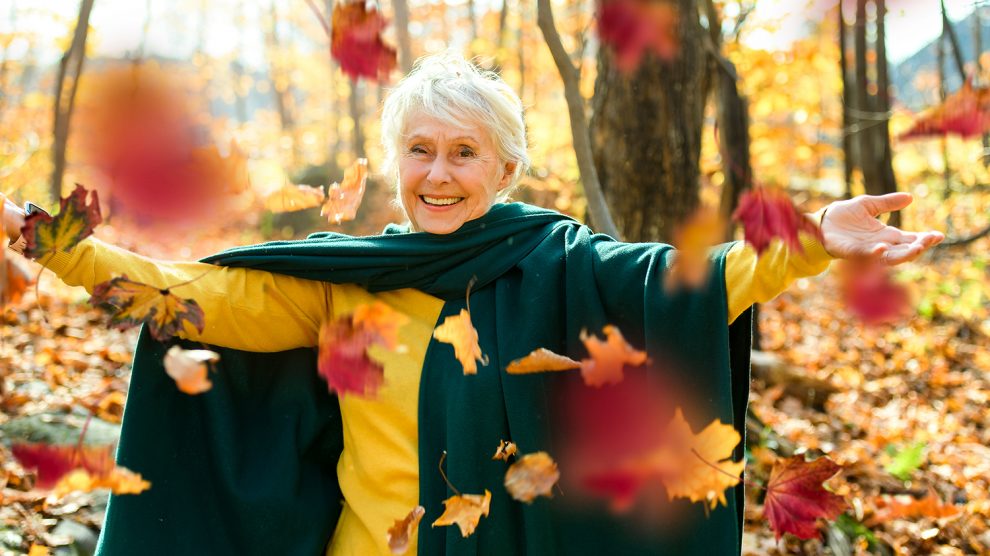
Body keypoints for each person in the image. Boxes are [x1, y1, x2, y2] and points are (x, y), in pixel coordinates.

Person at [3, 52, 943, 556]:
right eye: (419, 149)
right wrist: (53, 249)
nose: (438, 173)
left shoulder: (565, 268)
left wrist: (816, 233)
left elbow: (699, 282)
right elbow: (196, 301)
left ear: (504, 166)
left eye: (463, 153)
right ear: (394, 159)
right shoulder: (346, 280)